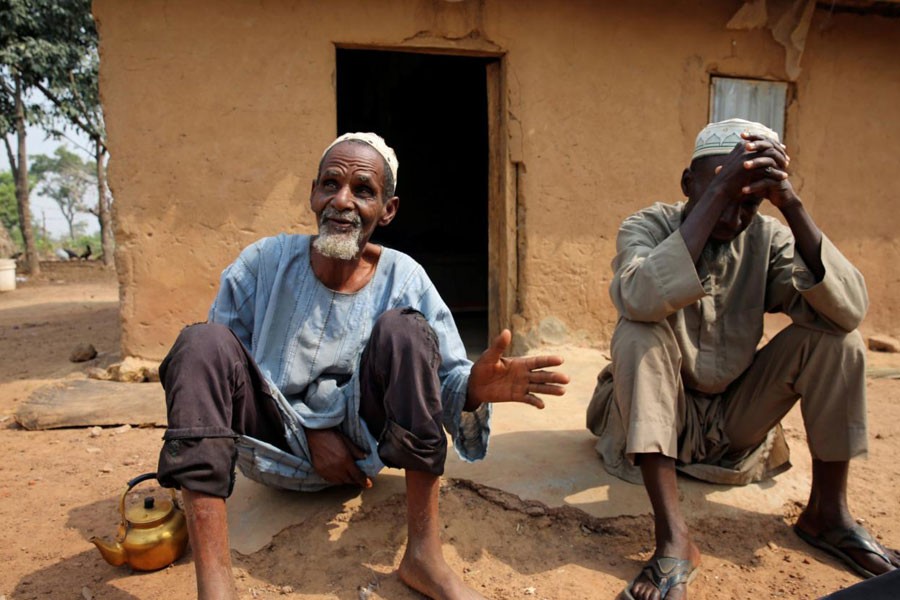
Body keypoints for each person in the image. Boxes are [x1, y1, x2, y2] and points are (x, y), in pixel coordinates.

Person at [157, 132, 570, 600]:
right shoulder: (263, 263)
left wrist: (475, 386)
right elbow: (219, 371)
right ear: (313, 192)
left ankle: (424, 557)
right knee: (198, 343)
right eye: (330, 184)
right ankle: (215, 585)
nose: (342, 201)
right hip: (268, 442)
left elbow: (449, 383)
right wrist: (310, 435)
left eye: (363, 190)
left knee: (407, 330)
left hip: (361, 449)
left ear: (388, 209)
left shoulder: (404, 277)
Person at [586, 119, 899, 600]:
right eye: (719, 193)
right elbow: (641, 297)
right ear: (688, 183)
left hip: (734, 421)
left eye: (748, 202)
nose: (733, 216)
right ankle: (674, 537)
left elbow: (849, 311)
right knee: (637, 330)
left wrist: (789, 204)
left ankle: (827, 515)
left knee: (838, 341)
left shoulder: (767, 239)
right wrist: (720, 194)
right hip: (653, 420)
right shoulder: (647, 226)